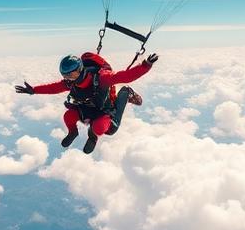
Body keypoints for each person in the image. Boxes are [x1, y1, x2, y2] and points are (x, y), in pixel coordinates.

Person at [15, 52, 159, 154]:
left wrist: (146, 65)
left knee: (102, 128)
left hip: (103, 110)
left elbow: (125, 76)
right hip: (87, 107)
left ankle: (95, 135)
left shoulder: (102, 78)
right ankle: (73, 132)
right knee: (68, 116)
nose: (68, 78)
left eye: (70, 75)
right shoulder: (70, 83)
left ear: (79, 70)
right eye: (64, 75)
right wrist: (33, 90)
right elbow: (53, 88)